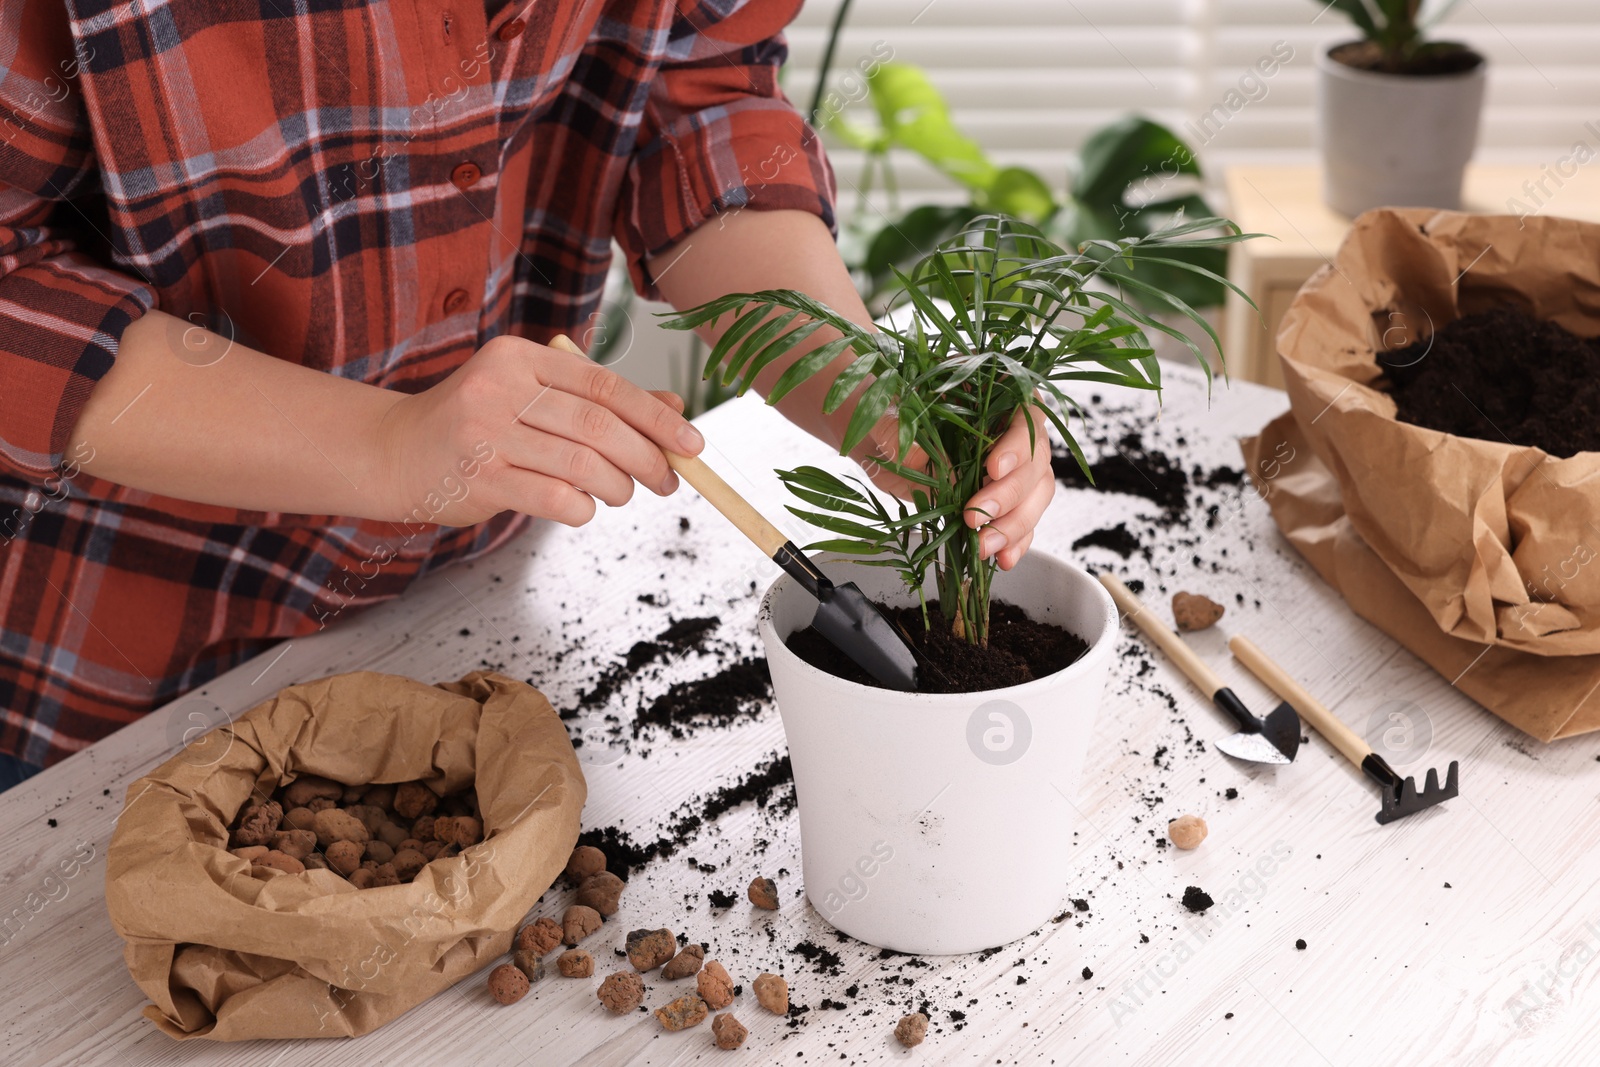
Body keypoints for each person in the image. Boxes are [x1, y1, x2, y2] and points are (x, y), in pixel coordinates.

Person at [0, 0, 1056, 789]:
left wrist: (862, 385)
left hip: (476, 620)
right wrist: (386, 446)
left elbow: (695, 96)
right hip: (126, 686)